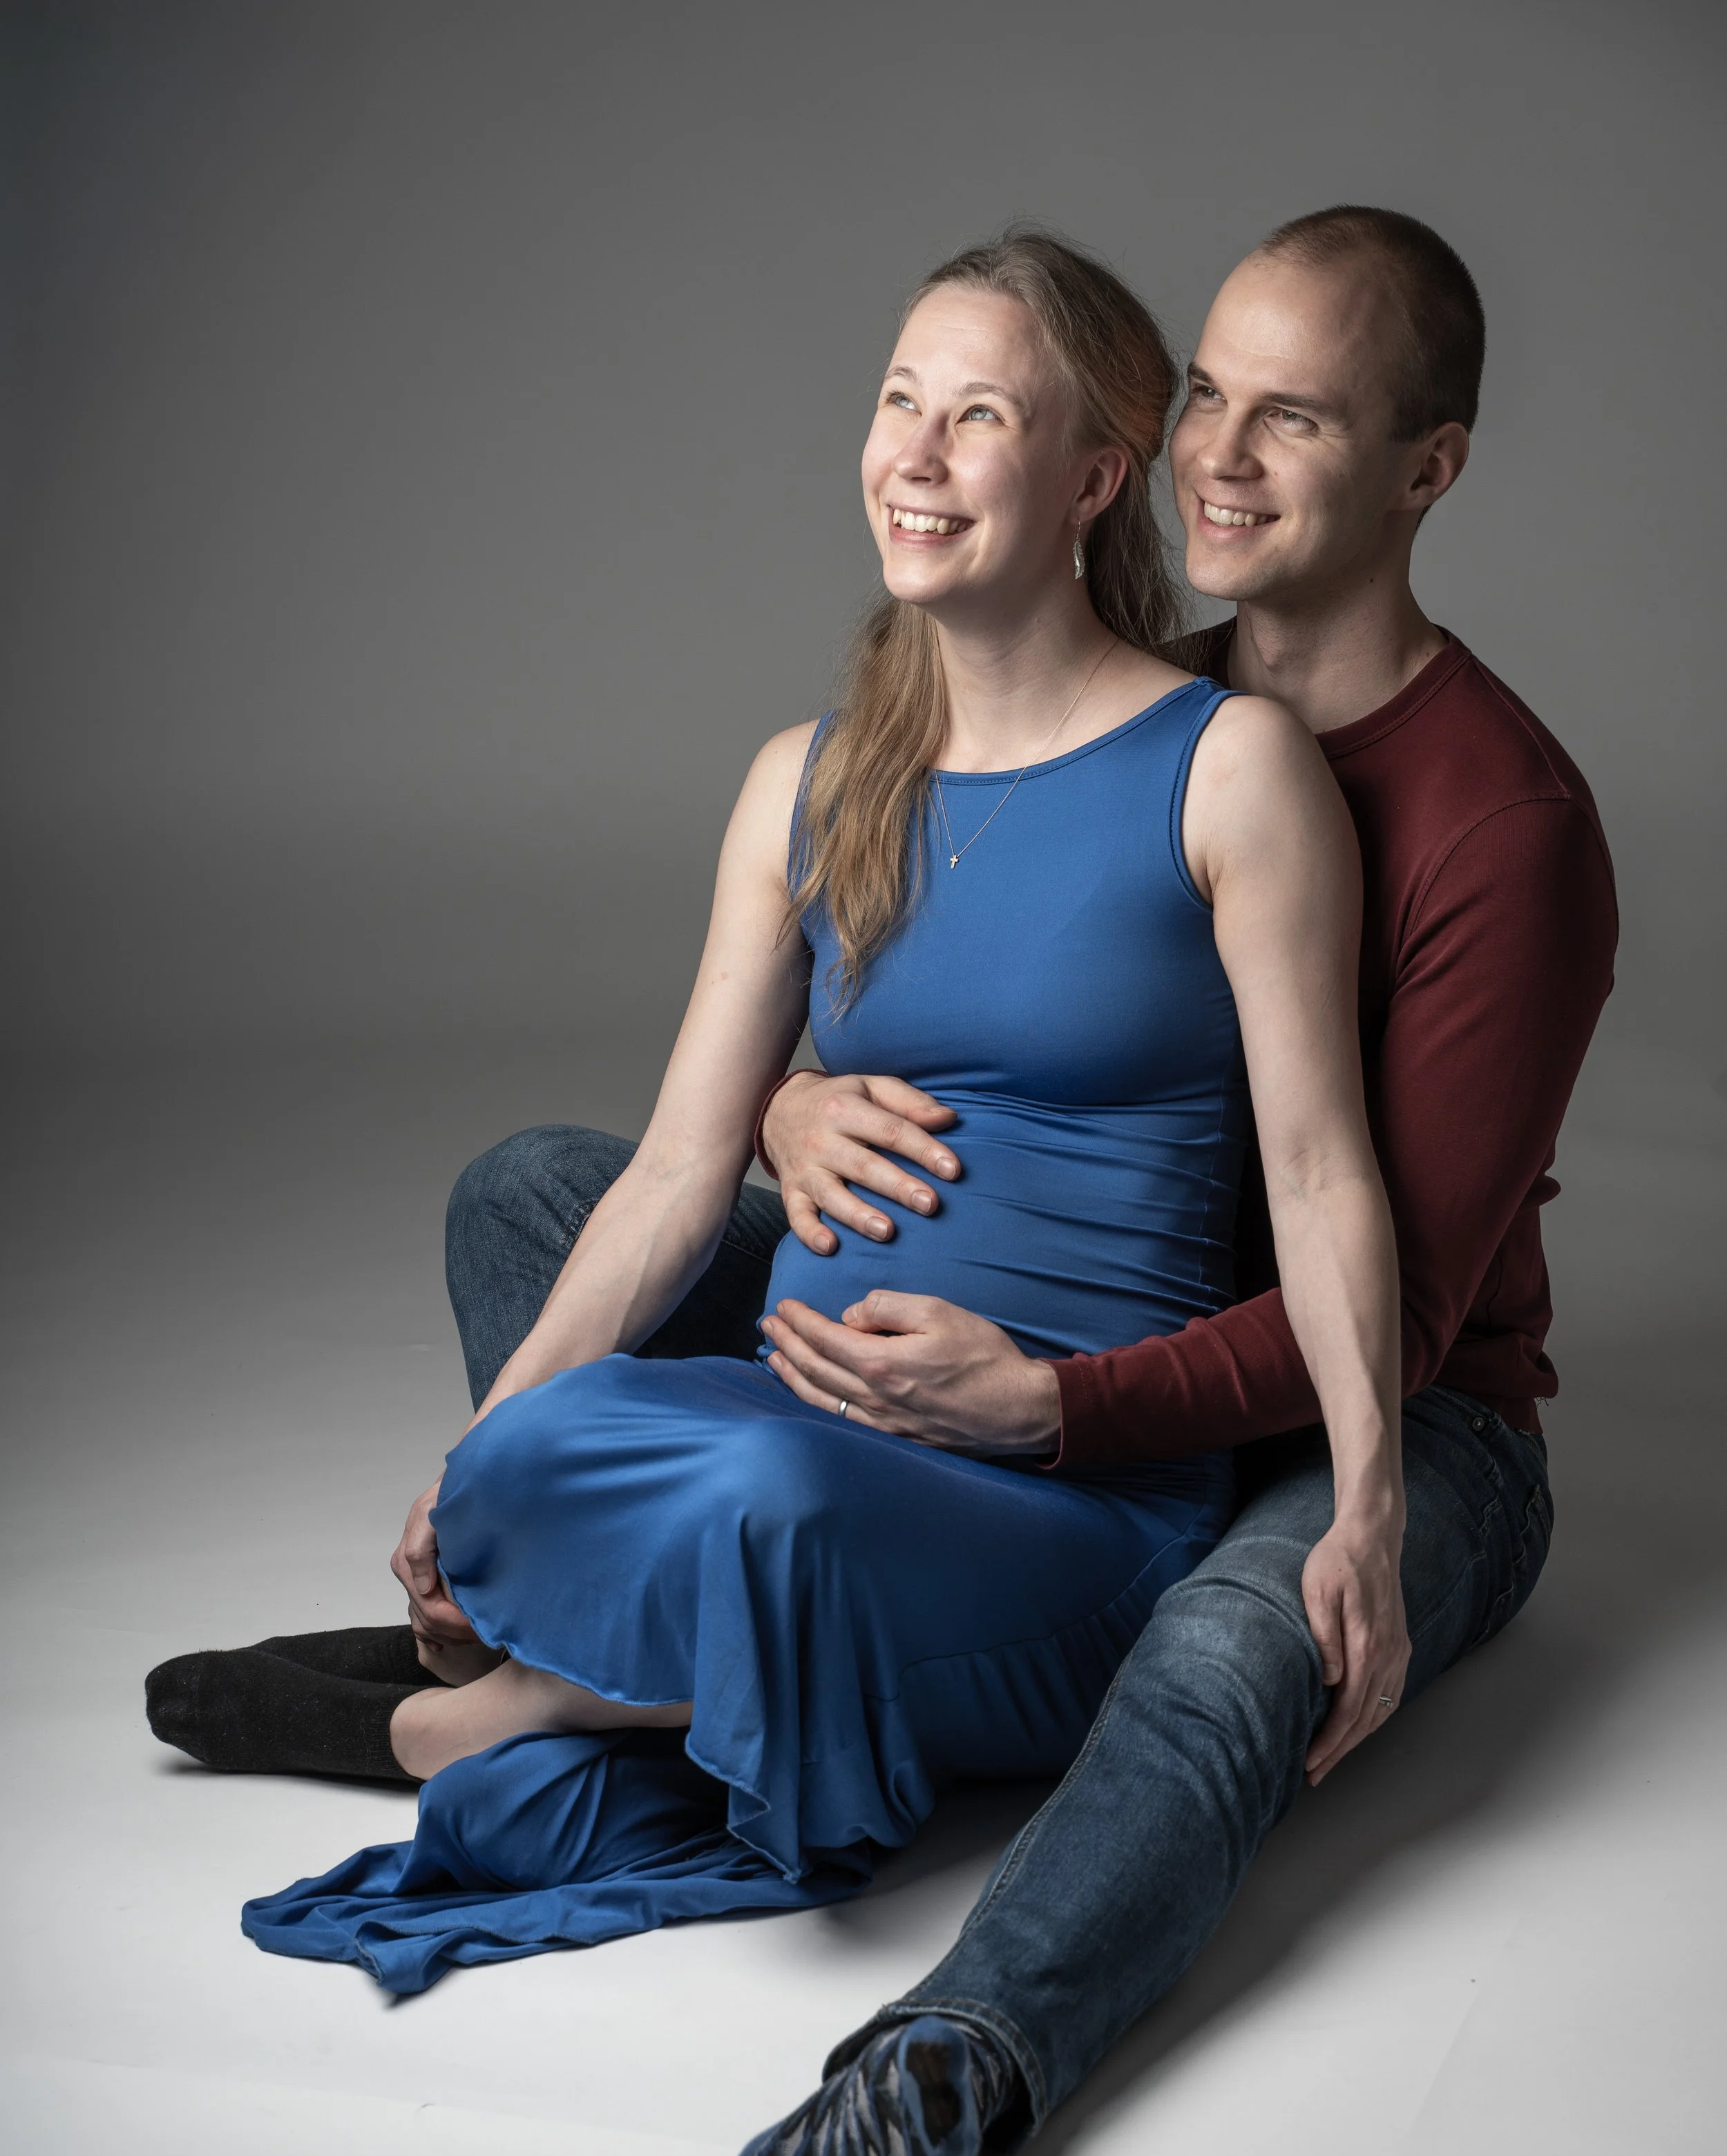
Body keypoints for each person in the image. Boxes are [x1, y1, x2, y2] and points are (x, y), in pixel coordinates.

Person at [147, 229, 1409, 2005]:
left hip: (1062, 1501)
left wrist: (1363, 1509)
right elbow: (677, 1168)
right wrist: (479, 1448)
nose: (913, 453)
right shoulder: (804, 783)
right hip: (795, 1425)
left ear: (1088, 480)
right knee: (545, 1434)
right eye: (898, 402)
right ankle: (633, 1663)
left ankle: (487, 1716)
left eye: (977, 419)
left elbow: (1318, 1165)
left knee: (759, 1492)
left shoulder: (1224, 769)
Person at [727, 207, 1617, 2156]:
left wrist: (1048, 1403)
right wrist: (786, 1098)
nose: (1216, 449)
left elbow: (1381, 1312)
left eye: (1291, 414)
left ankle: (951, 2060)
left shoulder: (1505, 829)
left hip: (1378, 1416)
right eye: (1206, 387)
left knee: (1232, 1644)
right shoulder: (1147, 717)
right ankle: (581, 1646)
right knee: (543, 1191)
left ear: (1426, 468)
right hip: (1062, 1322)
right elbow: (914, 981)